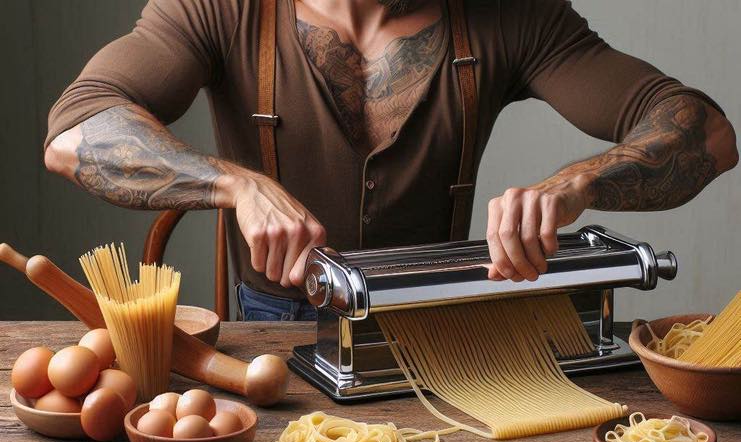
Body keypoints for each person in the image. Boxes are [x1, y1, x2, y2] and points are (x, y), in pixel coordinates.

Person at [44, 0, 738, 321]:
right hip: (271, 329)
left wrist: (577, 182)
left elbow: (706, 134)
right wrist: (234, 183)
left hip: (436, 329)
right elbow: (75, 133)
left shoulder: (511, 15)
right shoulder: (219, 7)